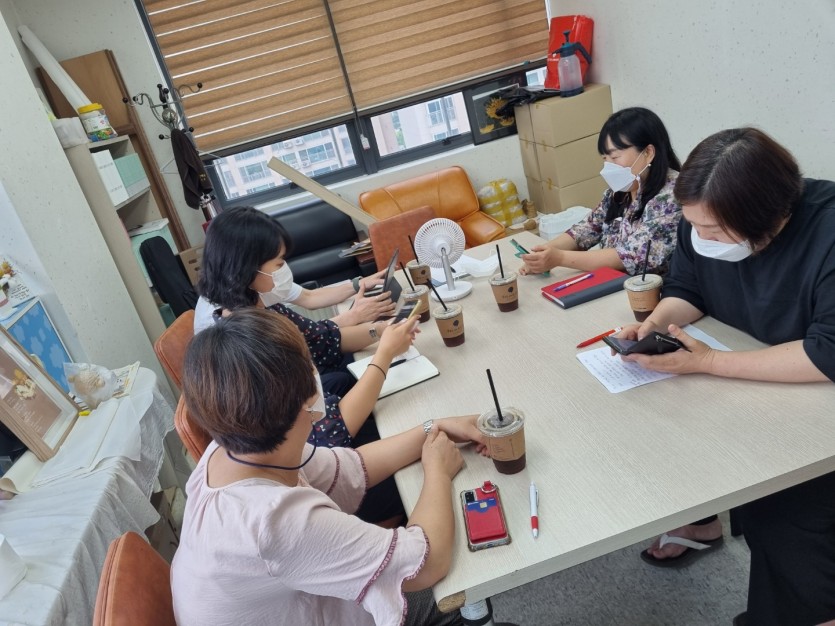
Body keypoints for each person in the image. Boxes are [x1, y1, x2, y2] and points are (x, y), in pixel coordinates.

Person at [615, 127, 835, 625]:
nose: (701, 238)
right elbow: (688, 288)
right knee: (737, 490)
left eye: (713, 230)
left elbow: (827, 353)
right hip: (759, 394)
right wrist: (654, 326)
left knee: (786, 515)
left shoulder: (826, 233)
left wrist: (709, 362)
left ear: (768, 216)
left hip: (818, 413)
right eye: (694, 225)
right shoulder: (701, 220)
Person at [171, 308, 488, 626]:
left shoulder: (233, 447)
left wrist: (435, 427)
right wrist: (438, 471)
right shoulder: (274, 521)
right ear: (303, 401)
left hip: (305, 604)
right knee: (463, 582)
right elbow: (427, 565)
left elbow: (354, 467)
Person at [520, 107, 682, 277]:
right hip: (613, 282)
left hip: (651, 289)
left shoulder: (671, 196)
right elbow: (587, 229)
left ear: (648, 153)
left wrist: (558, 258)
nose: (609, 166)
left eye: (615, 157)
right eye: (605, 158)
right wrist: (542, 253)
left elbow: (629, 256)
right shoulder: (621, 192)